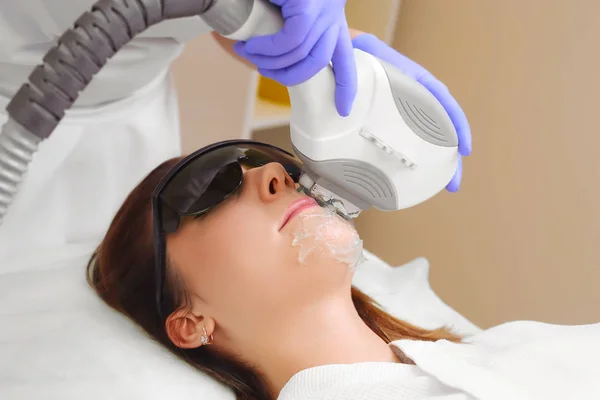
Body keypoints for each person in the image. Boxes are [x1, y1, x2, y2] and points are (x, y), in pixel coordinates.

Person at [88, 140, 599, 400]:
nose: (276, 174)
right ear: (189, 322)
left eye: (273, 164)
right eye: (211, 188)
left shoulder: (510, 348)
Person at [0, 1, 471, 263]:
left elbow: (212, 13)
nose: (270, 172)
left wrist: (304, 46)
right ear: (192, 326)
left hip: (127, 119)